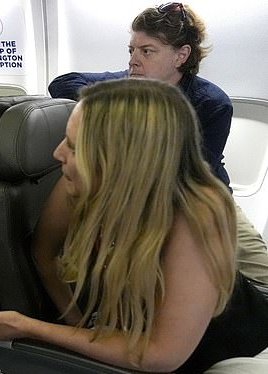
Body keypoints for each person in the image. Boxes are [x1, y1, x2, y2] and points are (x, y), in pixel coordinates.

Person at [0, 78, 268, 374]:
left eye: (76, 146)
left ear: (121, 161)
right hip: (147, 330)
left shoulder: (196, 218)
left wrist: (29, 326)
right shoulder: (77, 184)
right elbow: (44, 254)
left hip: (227, 348)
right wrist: (79, 324)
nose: (58, 153)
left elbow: (160, 352)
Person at [48, 3, 268, 288]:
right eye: (131, 50)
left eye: (146, 51)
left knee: (261, 273)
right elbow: (61, 84)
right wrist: (120, 90)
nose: (133, 60)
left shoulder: (211, 103)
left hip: (201, 200)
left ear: (181, 55)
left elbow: (192, 176)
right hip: (139, 199)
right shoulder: (128, 81)